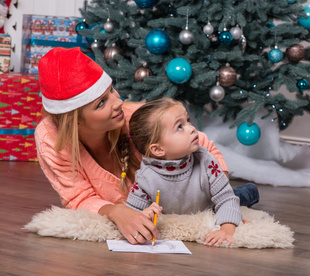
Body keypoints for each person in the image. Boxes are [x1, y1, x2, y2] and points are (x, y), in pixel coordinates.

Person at [34, 47, 258, 245]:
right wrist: (117, 212)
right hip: (157, 202)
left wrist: (222, 198)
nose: (118, 102)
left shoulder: (134, 118)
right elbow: (78, 197)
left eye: (112, 90)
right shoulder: (51, 140)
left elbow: (205, 147)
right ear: (74, 120)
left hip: (189, 189)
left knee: (234, 196)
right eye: (101, 102)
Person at [127, 98, 242, 247]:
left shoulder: (205, 160)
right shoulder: (145, 178)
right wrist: (145, 214)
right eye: (180, 127)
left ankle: (248, 192)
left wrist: (227, 228)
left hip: (209, 201)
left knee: (239, 197)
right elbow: (131, 214)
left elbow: (226, 198)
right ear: (158, 149)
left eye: (188, 121)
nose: (192, 128)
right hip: (188, 204)